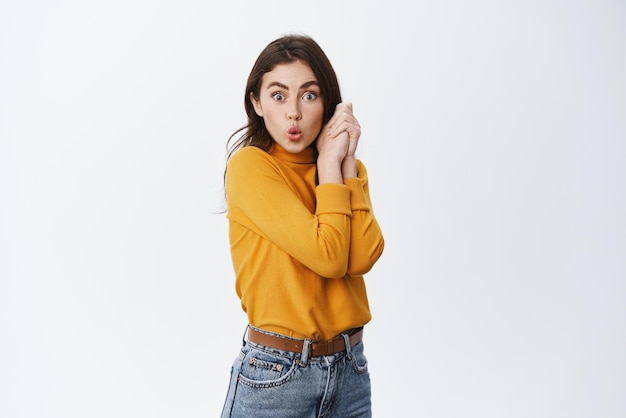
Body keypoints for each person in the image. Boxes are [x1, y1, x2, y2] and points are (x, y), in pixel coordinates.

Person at [220, 33, 385, 418]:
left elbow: (360, 257)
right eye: (278, 96)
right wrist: (330, 167)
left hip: (350, 373)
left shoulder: (345, 171)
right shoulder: (251, 168)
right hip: (276, 377)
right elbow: (329, 257)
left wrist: (345, 165)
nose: (294, 112)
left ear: (328, 103)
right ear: (256, 103)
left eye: (309, 95)